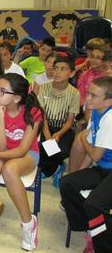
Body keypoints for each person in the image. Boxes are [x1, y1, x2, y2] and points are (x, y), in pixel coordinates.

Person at [0, 73, 43, 251]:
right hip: (2, 149)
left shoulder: (33, 113)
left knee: (9, 169)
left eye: (1, 91)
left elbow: (23, 149)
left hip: (28, 153)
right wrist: (0, 117)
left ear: (16, 98)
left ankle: (29, 223)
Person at [60, 76, 112, 253]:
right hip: (103, 169)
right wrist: (77, 176)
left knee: (93, 205)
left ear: (109, 101)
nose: (87, 98)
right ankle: (91, 227)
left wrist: (82, 137)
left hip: (109, 170)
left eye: (93, 95)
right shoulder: (97, 112)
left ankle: (102, 246)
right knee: (67, 183)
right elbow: (91, 155)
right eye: (88, 93)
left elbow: (95, 155)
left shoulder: (110, 119)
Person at [37, 55, 80, 187]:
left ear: (71, 73)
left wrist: (58, 134)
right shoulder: (44, 87)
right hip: (45, 125)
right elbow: (41, 115)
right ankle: (51, 168)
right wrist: (49, 136)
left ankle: (58, 166)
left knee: (60, 151)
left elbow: (70, 120)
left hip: (64, 129)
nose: (57, 72)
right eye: (55, 68)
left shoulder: (74, 93)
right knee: (42, 147)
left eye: (63, 69)